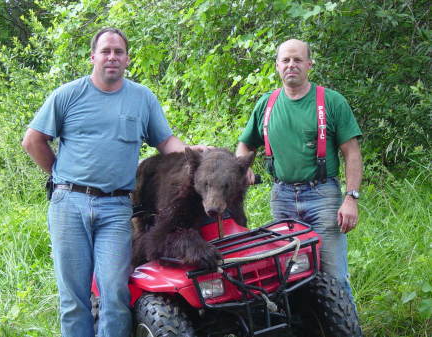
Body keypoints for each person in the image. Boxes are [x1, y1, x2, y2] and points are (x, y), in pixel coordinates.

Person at [22, 27, 207, 337]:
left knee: (115, 293)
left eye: (118, 52)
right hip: (69, 205)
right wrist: (59, 176)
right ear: (93, 56)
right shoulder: (68, 95)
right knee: (74, 298)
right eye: (105, 51)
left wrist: (197, 152)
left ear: (127, 58)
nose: (112, 57)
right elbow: (33, 141)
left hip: (116, 208)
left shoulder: (141, 98)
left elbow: (166, 142)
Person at [236, 39, 363, 300]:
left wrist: (351, 198)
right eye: (285, 60)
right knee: (287, 275)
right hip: (281, 197)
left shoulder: (331, 101)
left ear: (309, 64)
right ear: (277, 66)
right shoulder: (266, 104)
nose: (291, 65)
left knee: (333, 275)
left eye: (297, 60)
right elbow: (245, 145)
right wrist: (243, 168)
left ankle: (344, 327)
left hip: (323, 197)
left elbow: (352, 153)